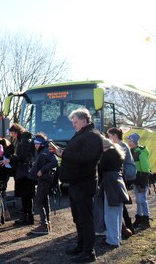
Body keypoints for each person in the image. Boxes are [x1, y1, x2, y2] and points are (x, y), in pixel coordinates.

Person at [56, 108, 103, 263]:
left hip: (84, 182)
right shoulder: (82, 134)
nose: (73, 125)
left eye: (75, 122)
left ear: (84, 120)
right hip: (76, 182)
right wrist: (62, 151)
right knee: (78, 217)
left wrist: (63, 154)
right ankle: (81, 245)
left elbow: (86, 157)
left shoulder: (92, 135)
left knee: (85, 218)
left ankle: (89, 251)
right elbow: (76, 153)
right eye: (73, 122)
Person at [0, 123, 35, 225]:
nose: (12, 135)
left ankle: (28, 217)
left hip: (24, 171)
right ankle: (26, 216)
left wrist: (10, 159)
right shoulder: (20, 140)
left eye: (12, 133)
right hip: (22, 171)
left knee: (27, 195)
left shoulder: (24, 140)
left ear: (16, 132)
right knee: (25, 196)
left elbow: (23, 156)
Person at [98, 137, 129, 248]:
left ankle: (112, 240)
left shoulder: (107, 155)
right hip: (118, 182)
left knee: (110, 214)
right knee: (118, 213)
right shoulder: (117, 152)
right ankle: (116, 238)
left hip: (110, 183)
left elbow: (101, 169)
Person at [107, 127, 137, 237]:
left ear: (115, 135)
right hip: (124, 175)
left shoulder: (121, 146)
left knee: (121, 203)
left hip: (125, 175)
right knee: (121, 203)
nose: (108, 138)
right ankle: (127, 227)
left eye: (109, 135)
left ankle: (126, 227)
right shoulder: (122, 145)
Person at [28, 133, 58, 235]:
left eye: (37, 143)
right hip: (44, 179)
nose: (35, 145)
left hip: (45, 179)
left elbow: (54, 162)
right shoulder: (43, 151)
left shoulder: (46, 151)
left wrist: (42, 170)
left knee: (38, 201)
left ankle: (43, 225)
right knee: (44, 200)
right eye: (35, 143)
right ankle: (46, 223)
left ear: (42, 143)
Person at [127, 133, 151, 229]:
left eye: (131, 141)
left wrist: (142, 182)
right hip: (136, 180)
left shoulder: (141, 152)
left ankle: (146, 219)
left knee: (142, 200)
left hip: (141, 179)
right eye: (128, 141)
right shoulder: (131, 151)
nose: (129, 143)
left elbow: (146, 169)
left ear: (135, 142)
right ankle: (139, 217)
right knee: (138, 200)